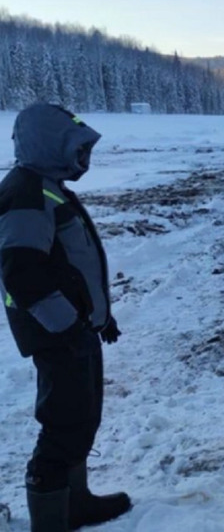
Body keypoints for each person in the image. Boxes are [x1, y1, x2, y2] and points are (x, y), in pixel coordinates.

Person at [0, 103, 131, 531]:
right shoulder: (25, 192)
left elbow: (69, 262)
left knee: (82, 417)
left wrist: (97, 318)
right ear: (48, 144)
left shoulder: (47, 186)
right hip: (55, 334)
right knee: (63, 424)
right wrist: (67, 326)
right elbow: (22, 272)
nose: (83, 159)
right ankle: (51, 517)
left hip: (74, 328)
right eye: (76, 149)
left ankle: (76, 503)